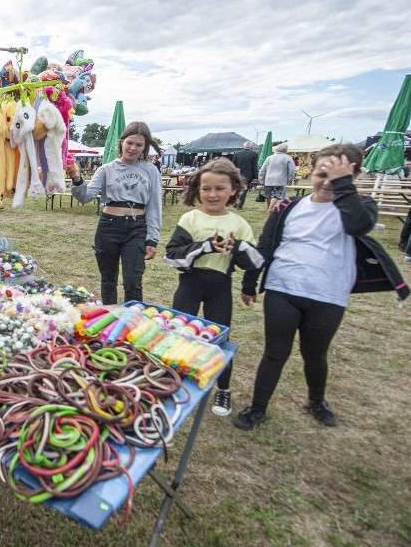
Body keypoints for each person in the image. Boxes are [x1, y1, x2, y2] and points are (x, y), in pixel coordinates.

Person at [235, 144, 409, 430]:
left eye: (339, 177)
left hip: (328, 295)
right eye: (322, 174)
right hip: (283, 289)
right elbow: (264, 248)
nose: (328, 183)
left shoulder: (361, 206)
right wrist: (249, 283)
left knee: (314, 354)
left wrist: (344, 188)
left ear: (353, 177)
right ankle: (257, 408)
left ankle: (316, 400)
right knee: (275, 352)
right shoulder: (288, 207)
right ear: (311, 173)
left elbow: (357, 227)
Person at [164, 158, 263, 416]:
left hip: (220, 288)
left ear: (234, 190)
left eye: (220, 188)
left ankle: (224, 389)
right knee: (179, 335)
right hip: (189, 285)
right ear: (198, 189)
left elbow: (256, 260)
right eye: (206, 188)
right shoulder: (191, 218)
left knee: (220, 341)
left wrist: (238, 247)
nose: (212, 194)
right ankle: (173, 383)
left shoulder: (238, 224)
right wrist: (206, 246)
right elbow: (172, 256)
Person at [68, 121, 163, 304]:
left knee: (133, 282)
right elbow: (85, 197)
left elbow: (154, 206)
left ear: (145, 147)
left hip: (136, 229)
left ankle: (133, 325)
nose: (133, 148)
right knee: (108, 281)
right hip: (108, 227)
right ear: (122, 142)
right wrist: (77, 180)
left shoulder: (151, 171)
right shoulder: (106, 169)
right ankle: (109, 323)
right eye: (130, 143)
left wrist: (152, 238)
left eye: (139, 145)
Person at [258, 143, 296, 214]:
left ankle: (268, 207)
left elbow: (262, 169)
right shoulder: (287, 158)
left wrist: (261, 179)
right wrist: (289, 179)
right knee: (276, 195)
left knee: (269, 195)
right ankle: (270, 209)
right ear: (286, 150)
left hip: (268, 180)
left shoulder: (269, 157)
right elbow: (292, 170)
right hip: (280, 180)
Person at [232, 141, 259, 209]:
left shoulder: (237, 154)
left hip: (237, 174)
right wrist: (256, 177)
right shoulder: (254, 154)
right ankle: (239, 205)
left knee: (237, 189)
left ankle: (235, 203)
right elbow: (254, 166)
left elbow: (233, 165)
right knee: (244, 190)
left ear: (243, 146)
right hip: (248, 175)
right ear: (251, 147)